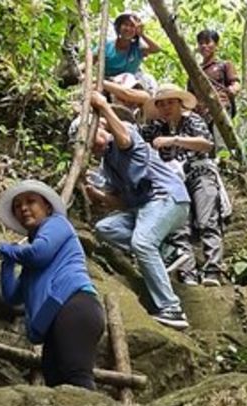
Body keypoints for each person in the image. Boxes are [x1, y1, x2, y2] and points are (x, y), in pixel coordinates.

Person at [85, 90, 191, 330]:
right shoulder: (108, 166)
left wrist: (103, 105)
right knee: (105, 228)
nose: (92, 145)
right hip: (145, 207)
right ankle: (168, 252)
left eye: (92, 137)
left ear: (102, 128)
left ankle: (171, 308)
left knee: (142, 242)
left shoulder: (125, 135)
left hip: (167, 198)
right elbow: (123, 203)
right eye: (86, 144)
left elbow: (123, 139)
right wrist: (99, 196)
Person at [0, 179, 105, 389]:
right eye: (17, 206)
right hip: (54, 317)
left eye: (30, 201)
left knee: (76, 375)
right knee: (55, 380)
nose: (23, 208)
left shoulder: (57, 224)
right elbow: (12, 296)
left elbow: (40, 253)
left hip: (75, 306)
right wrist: (7, 263)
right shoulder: (29, 255)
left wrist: (11, 251)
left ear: (47, 206)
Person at [140, 84, 227, 288]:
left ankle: (213, 269)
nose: (166, 108)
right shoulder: (155, 128)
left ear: (180, 104)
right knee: (179, 226)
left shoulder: (193, 120)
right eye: (162, 104)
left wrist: (175, 140)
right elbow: (134, 140)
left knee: (208, 220)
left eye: (171, 102)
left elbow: (206, 144)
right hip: (172, 182)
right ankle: (187, 272)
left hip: (199, 173)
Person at [94, 11, 160, 111]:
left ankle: (146, 111)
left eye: (132, 26)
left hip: (132, 87)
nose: (128, 28)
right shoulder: (106, 46)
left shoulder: (137, 48)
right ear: (119, 27)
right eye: (125, 24)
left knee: (148, 80)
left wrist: (142, 34)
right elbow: (89, 62)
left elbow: (156, 49)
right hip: (111, 84)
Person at [190, 29, 240, 120]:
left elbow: (235, 83)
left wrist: (232, 90)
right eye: (201, 43)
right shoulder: (195, 71)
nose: (204, 46)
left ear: (216, 45)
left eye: (208, 42)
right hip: (200, 115)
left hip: (220, 109)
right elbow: (190, 94)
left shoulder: (224, 65)